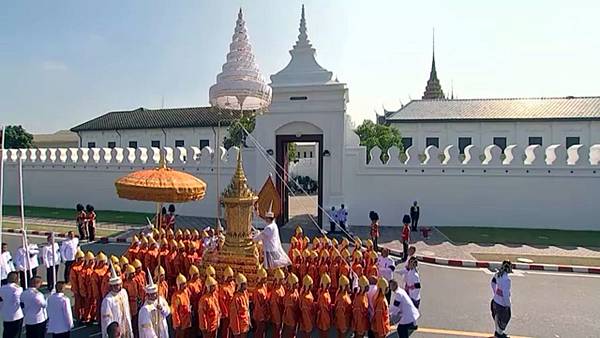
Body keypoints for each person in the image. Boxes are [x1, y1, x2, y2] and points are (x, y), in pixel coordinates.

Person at [253, 202, 292, 270]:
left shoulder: (269, 228)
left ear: (268, 219)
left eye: (266, 218)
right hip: (274, 247)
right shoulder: (274, 225)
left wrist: (252, 239)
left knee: (271, 266)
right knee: (275, 264)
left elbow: (259, 237)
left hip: (270, 249)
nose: (265, 219)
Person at [101, 264, 133, 338]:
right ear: (111, 286)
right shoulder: (108, 300)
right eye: (115, 285)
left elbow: (127, 308)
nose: (117, 287)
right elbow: (107, 320)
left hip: (125, 324)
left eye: (118, 284)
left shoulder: (124, 292)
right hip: (116, 329)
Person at [138, 268, 170, 338]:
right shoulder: (145, 309)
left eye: (156, 293)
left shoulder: (160, 299)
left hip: (163, 332)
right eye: (153, 294)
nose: (155, 295)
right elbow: (147, 328)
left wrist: (162, 309)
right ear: (148, 295)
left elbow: (168, 311)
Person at [491, 260, 513, 338]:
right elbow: (506, 294)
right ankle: (499, 334)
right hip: (502, 303)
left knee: (497, 318)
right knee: (504, 319)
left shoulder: (498, 274)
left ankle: (497, 333)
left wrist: (495, 292)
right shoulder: (507, 280)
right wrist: (508, 305)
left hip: (495, 301)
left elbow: (493, 282)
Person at [0, 271, 24, 338]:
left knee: (7, 333)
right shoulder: (18, 289)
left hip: (5, 315)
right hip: (16, 315)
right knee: (16, 334)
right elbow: (17, 300)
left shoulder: (2, 288)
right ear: (16, 279)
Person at [229, 273, 250, 338]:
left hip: (245, 324)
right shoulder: (236, 298)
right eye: (244, 284)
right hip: (240, 327)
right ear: (240, 285)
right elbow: (234, 316)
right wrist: (236, 330)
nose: (246, 285)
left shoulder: (245, 294)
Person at [171, 274, 192, 338]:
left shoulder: (186, 291)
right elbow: (174, 311)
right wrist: (177, 323)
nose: (185, 285)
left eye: (185, 283)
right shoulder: (176, 296)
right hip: (181, 322)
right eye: (183, 284)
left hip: (187, 320)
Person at [218, 266, 235, 338]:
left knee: (232, 327)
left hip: (233, 310)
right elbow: (222, 302)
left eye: (232, 277)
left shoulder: (232, 284)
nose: (231, 278)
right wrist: (225, 313)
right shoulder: (223, 288)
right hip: (227, 311)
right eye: (230, 277)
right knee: (226, 328)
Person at [252, 268, 269, 338]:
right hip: (259, 314)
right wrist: (261, 316)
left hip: (264, 311)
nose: (266, 279)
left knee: (263, 330)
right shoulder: (257, 291)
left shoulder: (264, 286)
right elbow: (258, 305)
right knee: (259, 330)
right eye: (264, 278)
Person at [269, 268, 286, 338]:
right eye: (282, 279)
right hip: (277, 315)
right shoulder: (275, 292)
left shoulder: (281, 287)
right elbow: (274, 307)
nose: (283, 280)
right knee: (276, 332)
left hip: (281, 312)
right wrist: (277, 319)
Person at [282, 273, 300, 338]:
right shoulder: (289, 296)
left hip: (295, 317)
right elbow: (289, 310)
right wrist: (292, 323)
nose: (297, 284)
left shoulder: (295, 291)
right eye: (296, 283)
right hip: (290, 320)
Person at [316, 274, 332, 338]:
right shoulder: (323, 296)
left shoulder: (324, 291)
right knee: (324, 333)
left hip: (325, 315)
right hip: (324, 316)